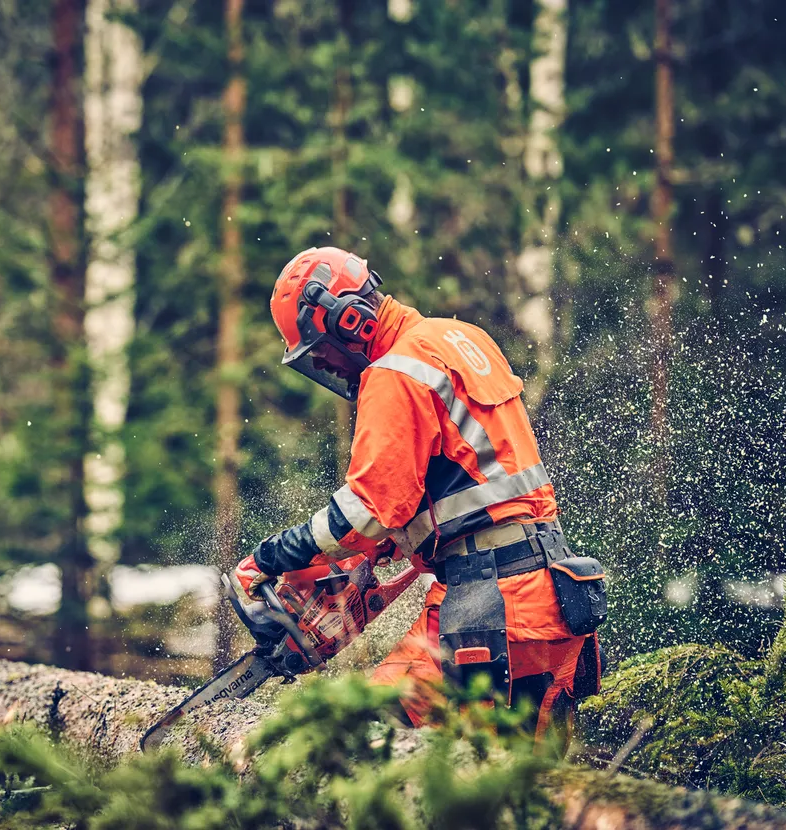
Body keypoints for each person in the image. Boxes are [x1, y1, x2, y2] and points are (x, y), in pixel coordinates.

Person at [234, 246, 602, 738]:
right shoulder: (458, 337)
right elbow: (467, 481)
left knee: (372, 740)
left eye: (322, 351)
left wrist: (269, 557)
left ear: (349, 320)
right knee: (529, 782)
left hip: (492, 602)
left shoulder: (395, 371)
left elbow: (363, 514)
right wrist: (363, 566)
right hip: (551, 590)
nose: (331, 367)